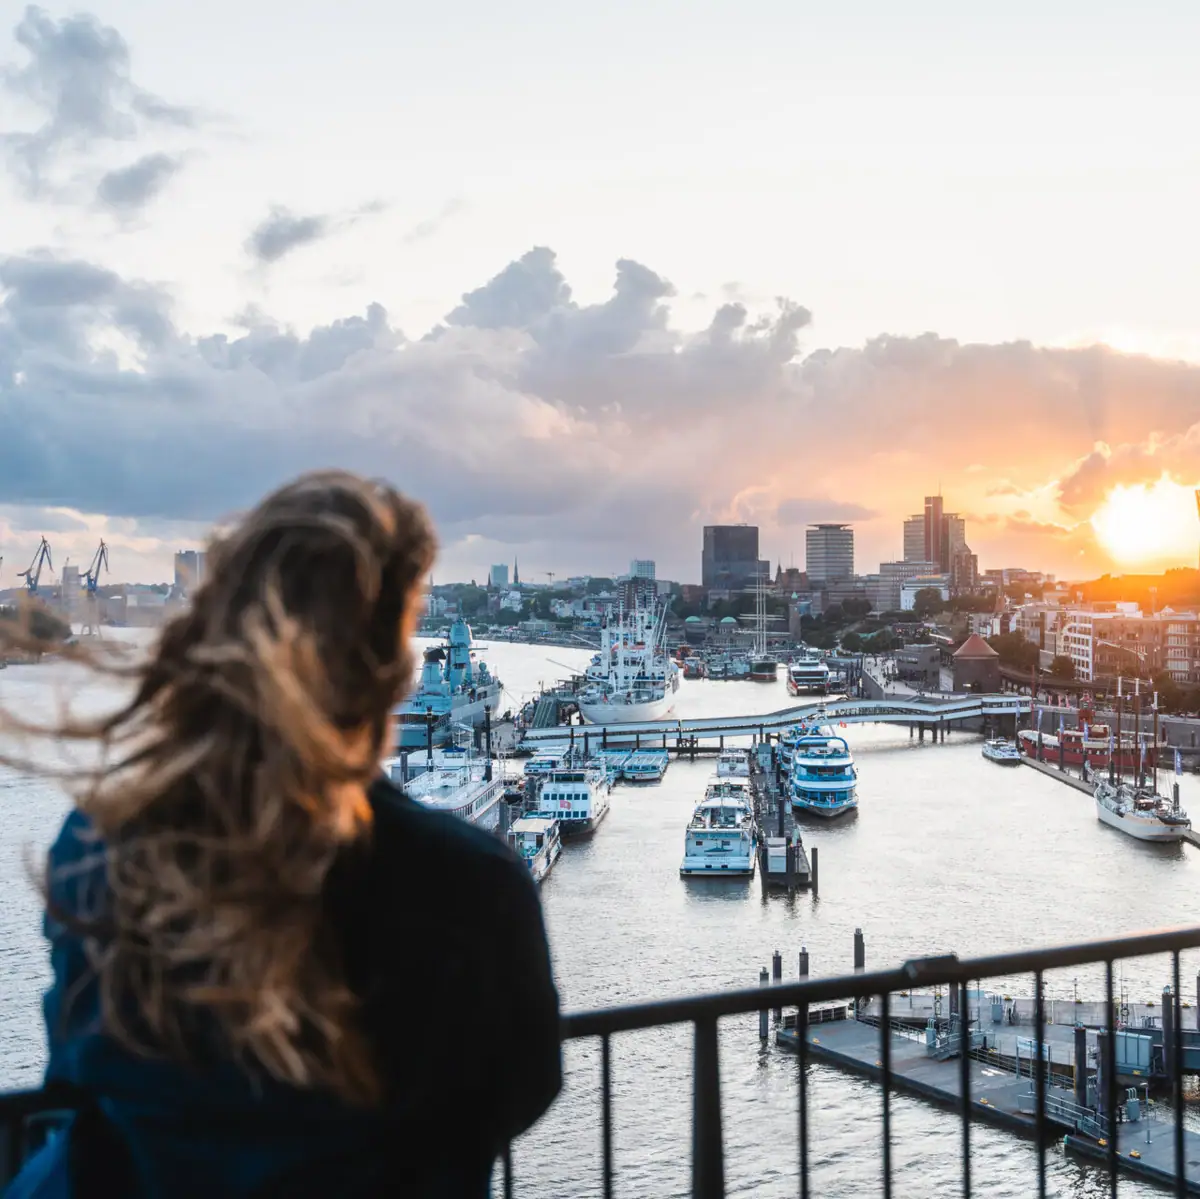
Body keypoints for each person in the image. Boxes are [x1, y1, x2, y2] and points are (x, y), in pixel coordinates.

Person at [4, 471, 561, 1198]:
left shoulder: (101, 845)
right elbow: (520, 1087)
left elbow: (73, 1069)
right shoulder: (468, 881)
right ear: (390, 670)